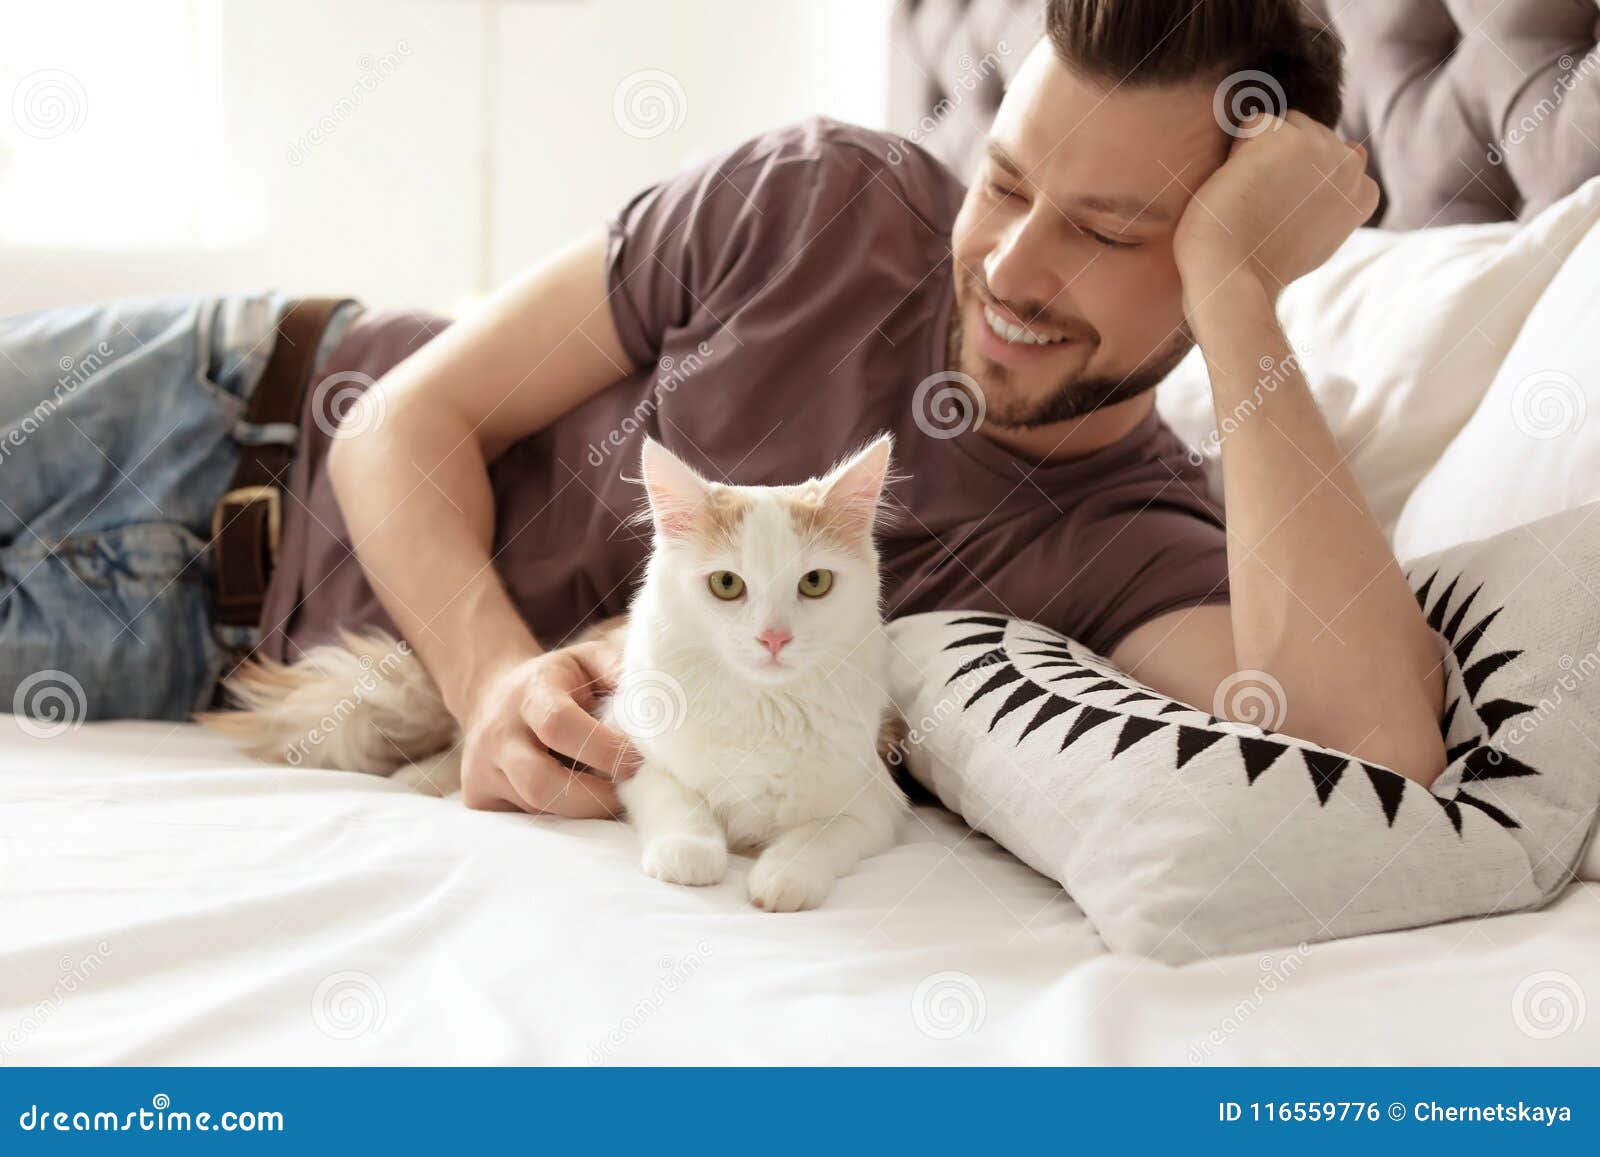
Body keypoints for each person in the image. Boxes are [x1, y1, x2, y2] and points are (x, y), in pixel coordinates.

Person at [0, 0, 1444, 817]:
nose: (1008, 268)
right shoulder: (829, 200)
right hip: (214, 400)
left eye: (1111, 233)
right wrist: (497, 682)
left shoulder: (1136, 541)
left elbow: (1379, 759)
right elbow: (401, 422)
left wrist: (1237, 293)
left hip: (195, 656)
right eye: (1007, 184)